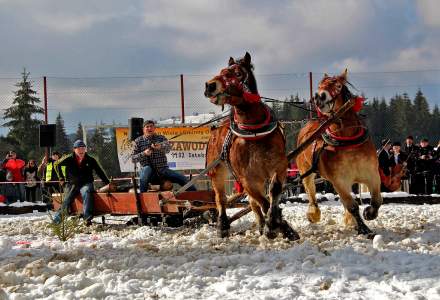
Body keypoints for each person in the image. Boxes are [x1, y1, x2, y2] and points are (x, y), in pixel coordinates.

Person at [53, 140, 110, 225]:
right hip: (72, 184)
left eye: (83, 148)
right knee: (67, 199)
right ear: (74, 149)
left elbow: (99, 172)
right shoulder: (69, 158)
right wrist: (61, 178)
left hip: (86, 183)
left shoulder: (91, 160)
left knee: (86, 192)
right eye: (79, 149)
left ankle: (87, 218)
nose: (81, 151)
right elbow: (56, 165)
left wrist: (107, 182)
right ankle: (56, 221)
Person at [131, 120, 196, 192]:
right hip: (148, 172)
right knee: (146, 170)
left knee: (182, 178)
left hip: (162, 170)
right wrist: (144, 153)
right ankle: (142, 196)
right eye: (147, 127)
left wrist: (160, 147)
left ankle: (195, 194)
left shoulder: (161, 138)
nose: (149, 128)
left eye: (151, 126)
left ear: (154, 128)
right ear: (143, 129)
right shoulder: (138, 141)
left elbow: (168, 149)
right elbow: (133, 159)